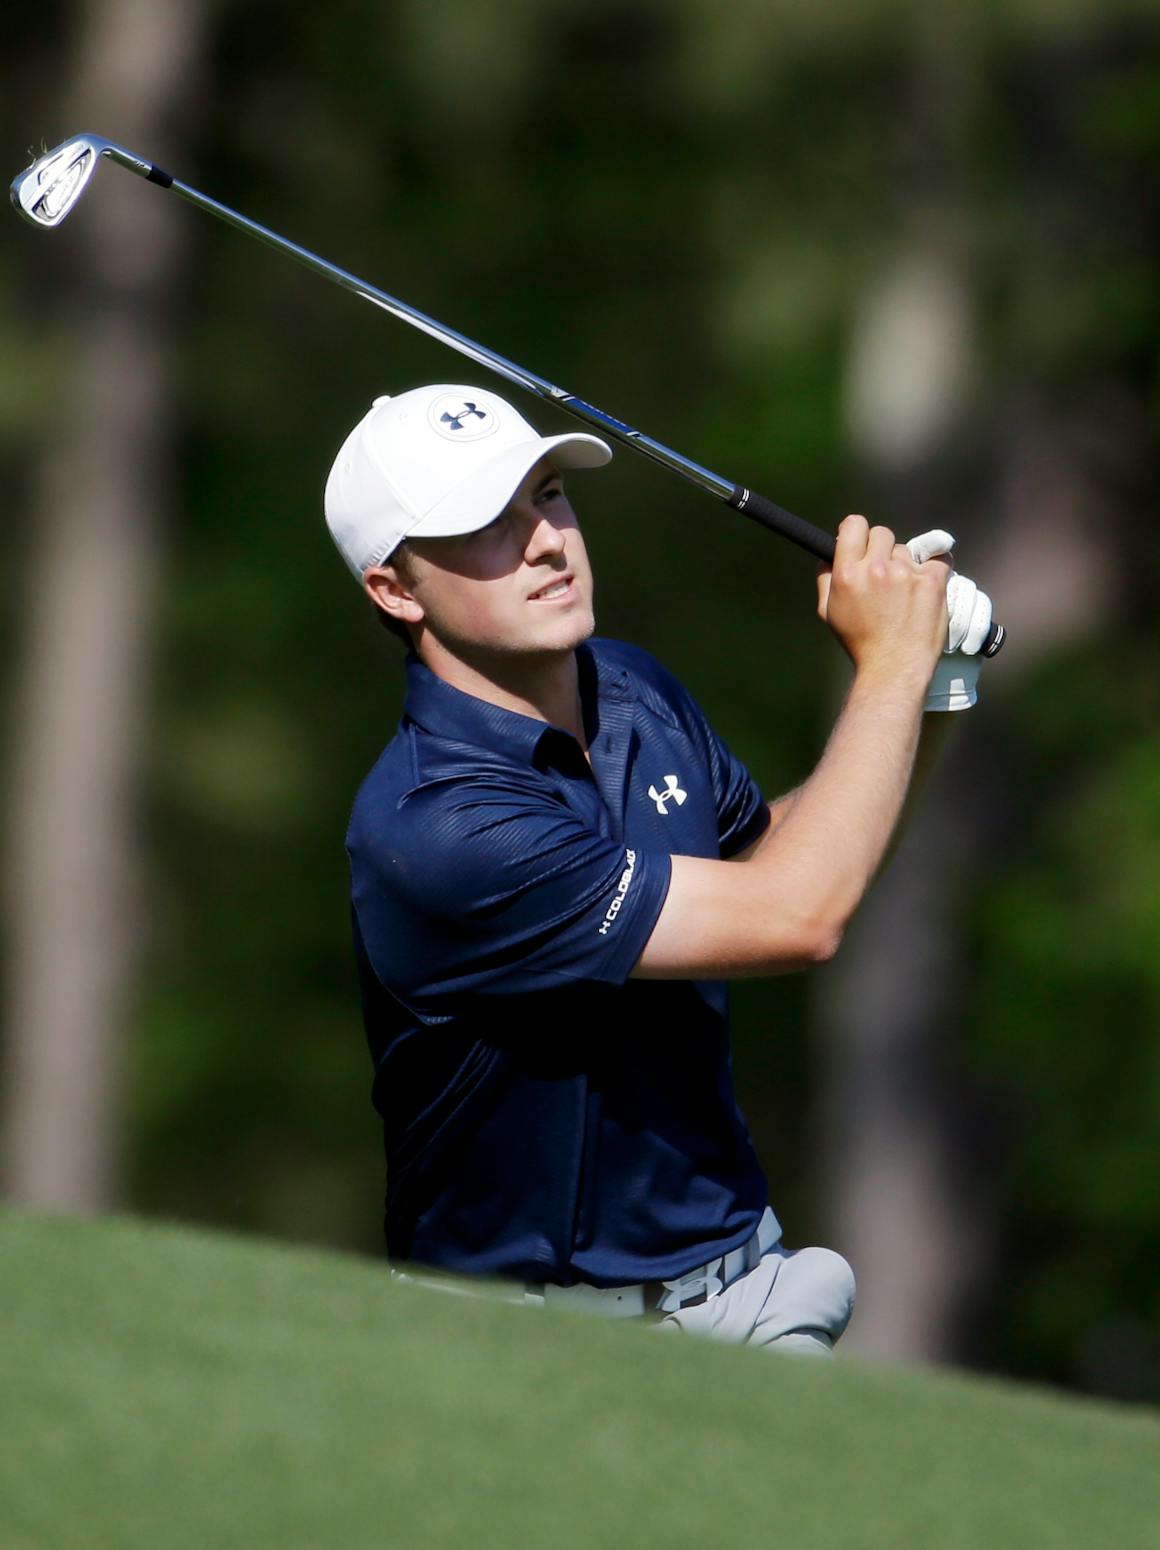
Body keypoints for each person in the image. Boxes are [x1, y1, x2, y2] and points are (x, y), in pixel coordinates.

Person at [327, 384, 995, 1357]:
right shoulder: (436, 824)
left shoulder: (632, 687)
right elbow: (797, 913)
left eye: (549, 495)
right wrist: (889, 666)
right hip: (527, 1344)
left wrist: (932, 687)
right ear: (396, 588)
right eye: (486, 526)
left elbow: (780, 862)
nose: (548, 541)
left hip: (746, 1293)